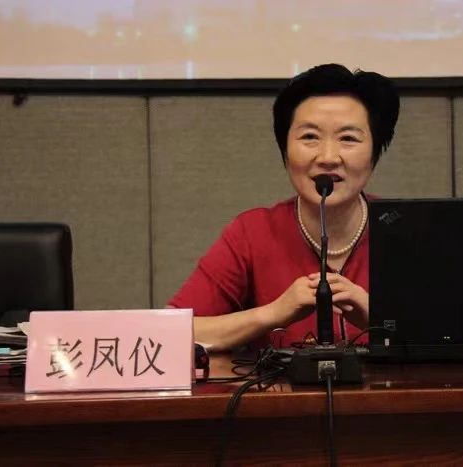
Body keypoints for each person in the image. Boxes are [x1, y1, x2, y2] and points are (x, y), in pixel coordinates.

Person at [168, 63, 400, 352]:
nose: (328, 157)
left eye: (348, 139)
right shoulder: (251, 234)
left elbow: (451, 335)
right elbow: (167, 333)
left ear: (374, 153)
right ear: (285, 150)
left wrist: (380, 319)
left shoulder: (405, 230)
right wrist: (273, 314)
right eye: (309, 137)